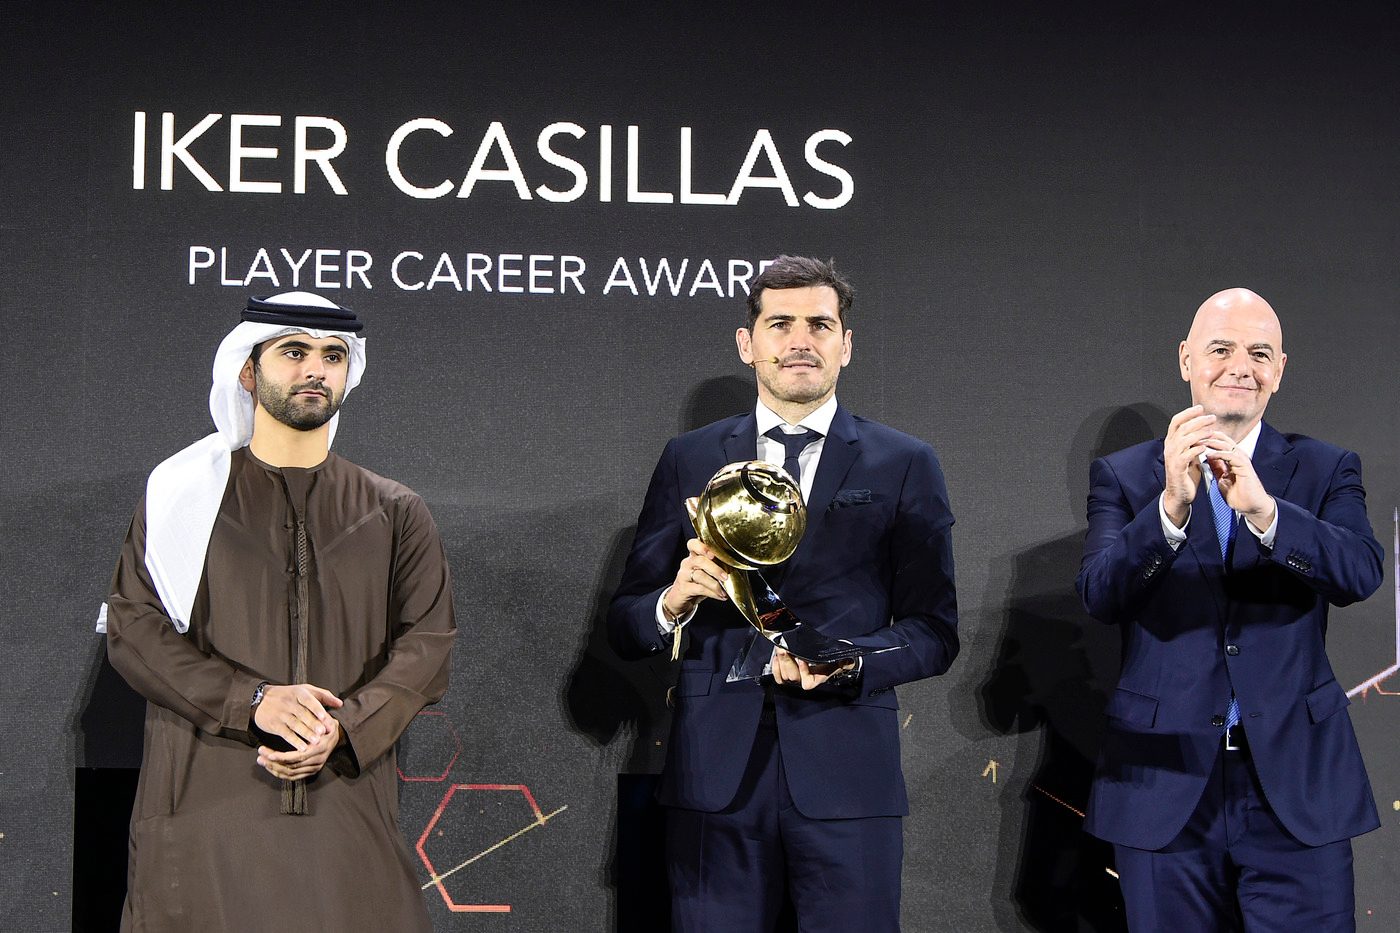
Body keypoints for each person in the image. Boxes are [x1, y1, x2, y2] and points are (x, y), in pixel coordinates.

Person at [608, 255, 959, 932]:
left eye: (819, 325)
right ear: (748, 343)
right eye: (780, 324)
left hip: (848, 774)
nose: (801, 340)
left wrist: (849, 660)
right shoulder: (690, 457)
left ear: (845, 344)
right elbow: (626, 625)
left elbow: (935, 632)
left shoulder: (904, 461)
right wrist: (671, 603)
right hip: (714, 777)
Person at [102, 292, 456, 931]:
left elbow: (427, 647)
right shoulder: (183, 498)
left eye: (333, 356)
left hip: (347, 807)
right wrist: (253, 700)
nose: (315, 369)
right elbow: (134, 630)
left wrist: (343, 731)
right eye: (294, 352)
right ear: (247, 370)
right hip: (204, 808)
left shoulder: (395, 511)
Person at [1076, 288, 1383, 930]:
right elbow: (1101, 594)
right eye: (1221, 349)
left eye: (1259, 354)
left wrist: (1268, 513)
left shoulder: (1326, 468)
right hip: (1163, 782)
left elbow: (1360, 572)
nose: (1241, 366)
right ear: (1186, 359)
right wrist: (1169, 508)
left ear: (1280, 371)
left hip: (1296, 787)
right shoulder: (1125, 477)